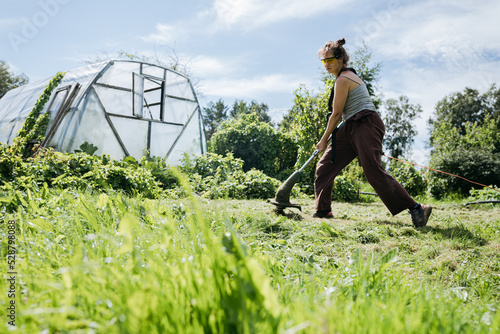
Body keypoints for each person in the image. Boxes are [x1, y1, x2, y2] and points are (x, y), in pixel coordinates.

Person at [313, 38, 432, 228]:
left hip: (366, 124)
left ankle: (417, 208)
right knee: (326, 166)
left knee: (373, 171)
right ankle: (323, 210)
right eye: (323, 61)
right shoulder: (341, 78)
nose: (326, 64)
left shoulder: (344, 79)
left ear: (341, 59)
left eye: (330, 60)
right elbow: (341, 116)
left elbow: (336, 114)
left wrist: (323, 140)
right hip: (350, 125)